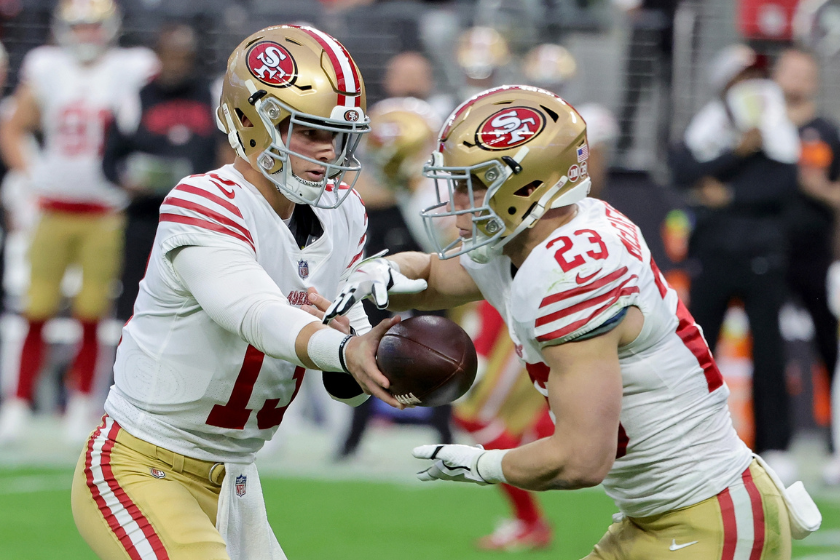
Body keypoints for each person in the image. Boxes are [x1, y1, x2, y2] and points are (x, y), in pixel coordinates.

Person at [319, 85, 818, 559]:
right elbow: (434, 275)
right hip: (659, 516)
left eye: (473, 184)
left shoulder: (570, 271)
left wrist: (482, 464)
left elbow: (581, 459)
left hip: (706, 518)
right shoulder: (532, 235)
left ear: (528, 184)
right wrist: (381, 271)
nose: (454, 202)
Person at [70, 24, 425, 560]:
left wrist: (371, 354)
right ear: (251, 122)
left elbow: (343, 380)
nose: (328, 152)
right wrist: (343, 348)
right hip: (145, 464)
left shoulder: (344, 213)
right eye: (308, 132)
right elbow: (257, 315)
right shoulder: (204, 200)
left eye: (338, 136)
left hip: (238, 479)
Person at [0, 0, 159, 444]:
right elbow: (13, 127)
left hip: (104, 210)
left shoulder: (131, 67)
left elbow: (145, 124)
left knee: (92, 311)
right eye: (79, 26)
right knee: (36, 308)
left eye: (94, 26)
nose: (87, 35)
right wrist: (31, 177)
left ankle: (80, 404)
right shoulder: (48, 66)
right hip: (53, 207)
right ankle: (15, 405)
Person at [669, 44, 801, 481]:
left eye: (757, 79)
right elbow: (683, 169)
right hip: (712, 255)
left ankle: (775, 445)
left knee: (769, 352)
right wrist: (738, 154)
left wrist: (729, 192)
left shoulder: (777, 129)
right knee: (697, 352)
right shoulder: (708, 126)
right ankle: (689, 440)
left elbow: (781, 184)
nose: (752, 88)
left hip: (763, 255)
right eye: (742, 79)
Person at [102, 23, 222, 323]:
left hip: (198, 218)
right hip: (146, 217)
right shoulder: (136, 98)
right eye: (170, 55)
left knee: (195, 303)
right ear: (157, 56)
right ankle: (123, 367)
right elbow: (108, 160)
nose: (176, 63)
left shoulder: (213, 96)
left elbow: (230, 150)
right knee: (134, 299)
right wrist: (126, 182)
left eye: (183, 56)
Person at [773, 48, 840, 484]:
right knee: (768, 352)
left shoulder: (827, 131)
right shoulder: (763, 129)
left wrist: (817, 188)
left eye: (805, 71)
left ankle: (836, 448)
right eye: (790, 70)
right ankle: (773, 447)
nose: (797, 79)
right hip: (768, 253)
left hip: (815, 252)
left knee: (829, 351)